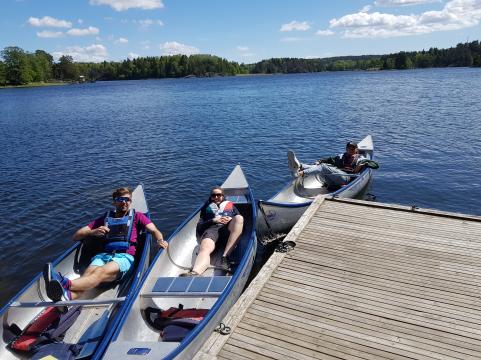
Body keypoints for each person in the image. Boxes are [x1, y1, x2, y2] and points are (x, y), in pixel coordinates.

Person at [43, 187, 168, 301]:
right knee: (87, 277)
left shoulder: (138, 216)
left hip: (124, 258)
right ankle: (67, 297)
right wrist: (93, 231)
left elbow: (154, 230)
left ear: (130, 201)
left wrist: (160, 241)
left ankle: (65, 282)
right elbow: (76, 236)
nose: (124, 202)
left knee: (99, 273)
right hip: (103, 256)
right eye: (120, 199)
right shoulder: (105, 218)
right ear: (114, 202)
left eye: (127, 199)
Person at [181, 186, 244, 277]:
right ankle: (195, 272)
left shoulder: (231, 207)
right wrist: (213, 220)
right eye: (213, 195)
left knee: (239, 218)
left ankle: (225, 257)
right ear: (210, 197)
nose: (216, 197)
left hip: (227, 231)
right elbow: (200, 226)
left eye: (219, 195)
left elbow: (241, 224)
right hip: (212, 230)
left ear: (223, 196)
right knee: (205, 248)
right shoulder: (207, 208)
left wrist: (230, 219)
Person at [287, 141, 366, 188]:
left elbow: (374, 165)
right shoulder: (341, 156)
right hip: (335, 178)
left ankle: (300, 173)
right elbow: (329, 160)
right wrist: (320, 161)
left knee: (323, 167)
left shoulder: (360, 158)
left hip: (347, 179)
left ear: (356, 149)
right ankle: (300, 166)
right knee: (320, 167)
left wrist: (361, 165)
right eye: (349, 148)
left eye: (353, 148)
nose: (351, 150)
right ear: (346, 149)